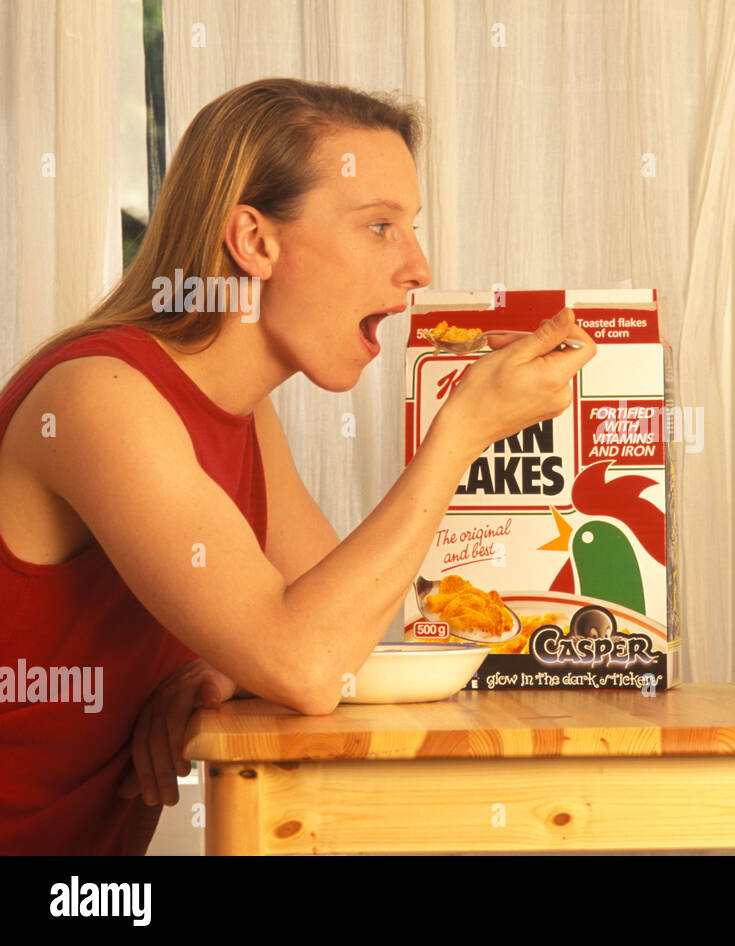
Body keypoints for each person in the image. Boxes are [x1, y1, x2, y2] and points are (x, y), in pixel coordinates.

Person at [0, 77, 594, 854]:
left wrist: (228, 667)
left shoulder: (242, 410)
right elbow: (311, 663)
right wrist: (460, 434)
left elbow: (340, 637)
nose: (418, 266)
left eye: (411, 226)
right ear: (256, 241)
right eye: (379, 226)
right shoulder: (101, 397)